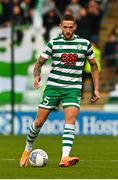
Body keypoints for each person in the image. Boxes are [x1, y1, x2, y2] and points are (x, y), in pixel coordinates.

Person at [20, 15, 100, 168]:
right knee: (39, 122)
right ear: (60, 26)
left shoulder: (84, 44)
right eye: (65, 27)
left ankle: (65, 157)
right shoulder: (54, 43)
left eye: (71, 27)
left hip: (73, 89)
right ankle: (27, 149)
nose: (68, 30)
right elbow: (39, 63)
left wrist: (96, 88)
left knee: (70, 121)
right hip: (53, 88)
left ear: (75, 27)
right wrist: (37, 76)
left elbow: (94, 66)